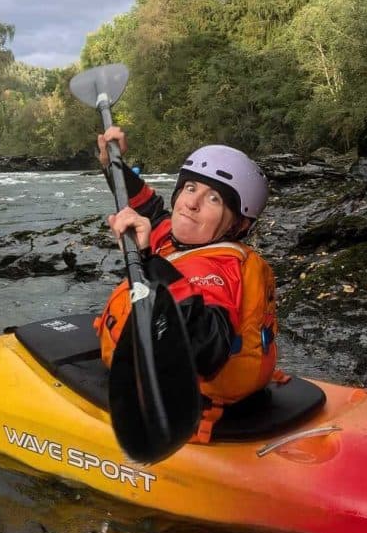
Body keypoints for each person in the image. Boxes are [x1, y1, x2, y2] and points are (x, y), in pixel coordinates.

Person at [94, 127, 278, 443]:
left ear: (239, 224)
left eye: (214, 198)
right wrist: (113, 162)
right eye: (190, 188)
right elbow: (146, 205)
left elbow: (208, 350)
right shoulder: (178, 234)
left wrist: (146, 261)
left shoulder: (218, 272)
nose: (191, 203)